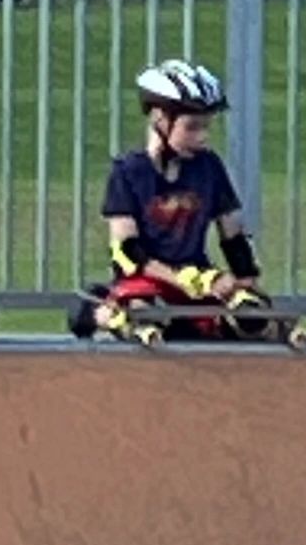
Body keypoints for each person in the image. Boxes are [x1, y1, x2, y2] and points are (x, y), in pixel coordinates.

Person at [70, 60, 266, 337]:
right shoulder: (128, 172)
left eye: (206, 127)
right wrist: (181, 280)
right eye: (192, 127)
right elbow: (127, 252)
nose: (203, 137)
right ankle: (107, 312)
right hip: (149, 281)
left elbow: (233, 237)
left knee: (251, 320)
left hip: (199, 281)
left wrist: (246, 285)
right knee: (147, 313)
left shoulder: (209, 166)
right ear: (160, 118)